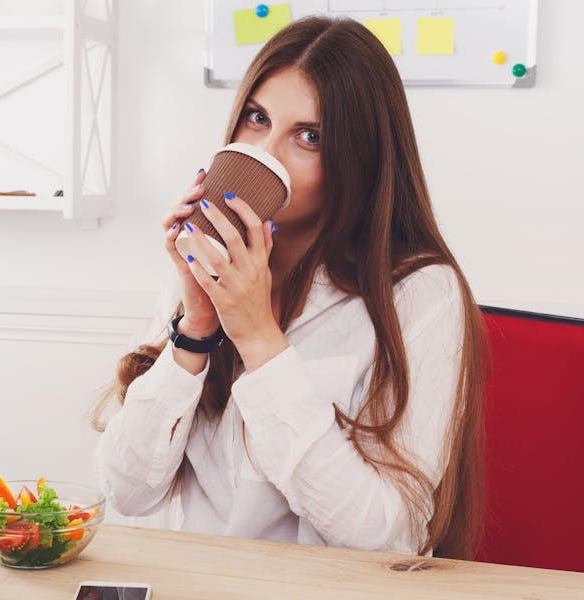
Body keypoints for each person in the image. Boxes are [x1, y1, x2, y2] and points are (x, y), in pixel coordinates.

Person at [92, 16, 486, 559]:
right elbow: (128, 493)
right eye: (257, 118)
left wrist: (259, 340)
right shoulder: (208, 271)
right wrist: (197, 328)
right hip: (202, 583)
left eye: (309, 136)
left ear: (361, 158)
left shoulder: (420, 292)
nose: (267, 153)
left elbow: (392, 535)